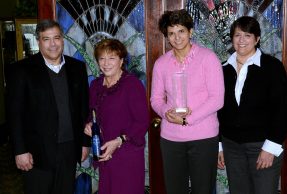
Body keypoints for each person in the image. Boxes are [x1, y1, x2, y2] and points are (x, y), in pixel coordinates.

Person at [5, 19, 90, 194]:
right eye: (46, 39)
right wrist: (20, 151)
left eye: (56, 38)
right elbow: (14, 114)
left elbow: (83, 109)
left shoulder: (78, 68)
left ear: (62, 39)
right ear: (38, 41)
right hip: (36, 153)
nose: (53, 44)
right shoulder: (21, 70)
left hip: (69, 149)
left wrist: (84, 142)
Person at [150, 9, 224, 194]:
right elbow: (156, 99)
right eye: (171, 33)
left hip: (204, 137)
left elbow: (217, 99)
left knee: (203, 190)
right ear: (167, 37)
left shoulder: (208, 58)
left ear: (190, 32)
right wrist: (166, 112)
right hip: (171, 138)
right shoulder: (161, 63)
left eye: (181, 31)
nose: (177, 38)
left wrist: (187, 119)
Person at [217, 16, 287, 194]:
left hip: (262, 146)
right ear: (232, 39)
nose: (242, 40)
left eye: (248, 35)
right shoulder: (223, 69)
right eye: (237, 35)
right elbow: (217, 110)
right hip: (231, 146)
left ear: (257, 39)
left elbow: (282, 110)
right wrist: (219, 145)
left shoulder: (272, 67)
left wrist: (271, 147)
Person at [84, 38, 149, 194]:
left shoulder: (132, 85)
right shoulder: (95, 85)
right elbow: (91, 113)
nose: (106, 63)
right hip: (105, 154)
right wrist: (87, 125)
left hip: (126, 155)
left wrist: (119, 140)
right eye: (102, 58)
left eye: (112, 58)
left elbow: (142, 122)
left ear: (121, 61)